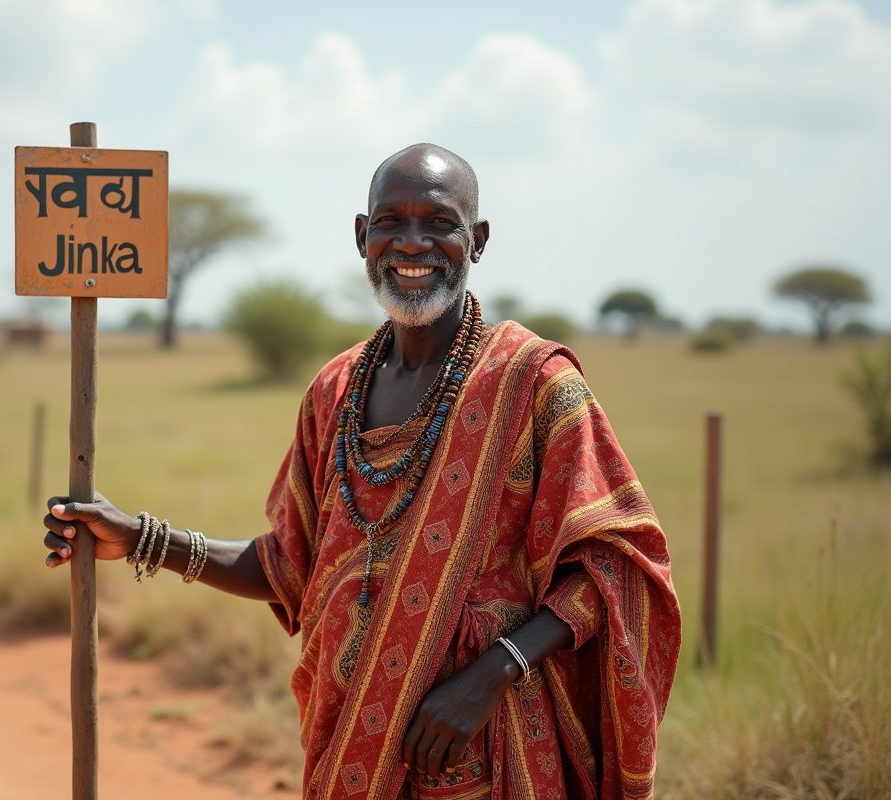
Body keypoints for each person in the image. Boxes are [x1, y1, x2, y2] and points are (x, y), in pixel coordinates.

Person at [42, 143, 681, 799]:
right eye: (390, 223)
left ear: (478, 239)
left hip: (487, 750)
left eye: (438, 223)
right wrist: (142, 538)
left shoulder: (537, 382)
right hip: (349, 739)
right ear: (361, 236)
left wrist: (494, 671)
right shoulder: (334, 391)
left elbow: (617, 563)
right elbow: (290, 568)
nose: (411, 244)